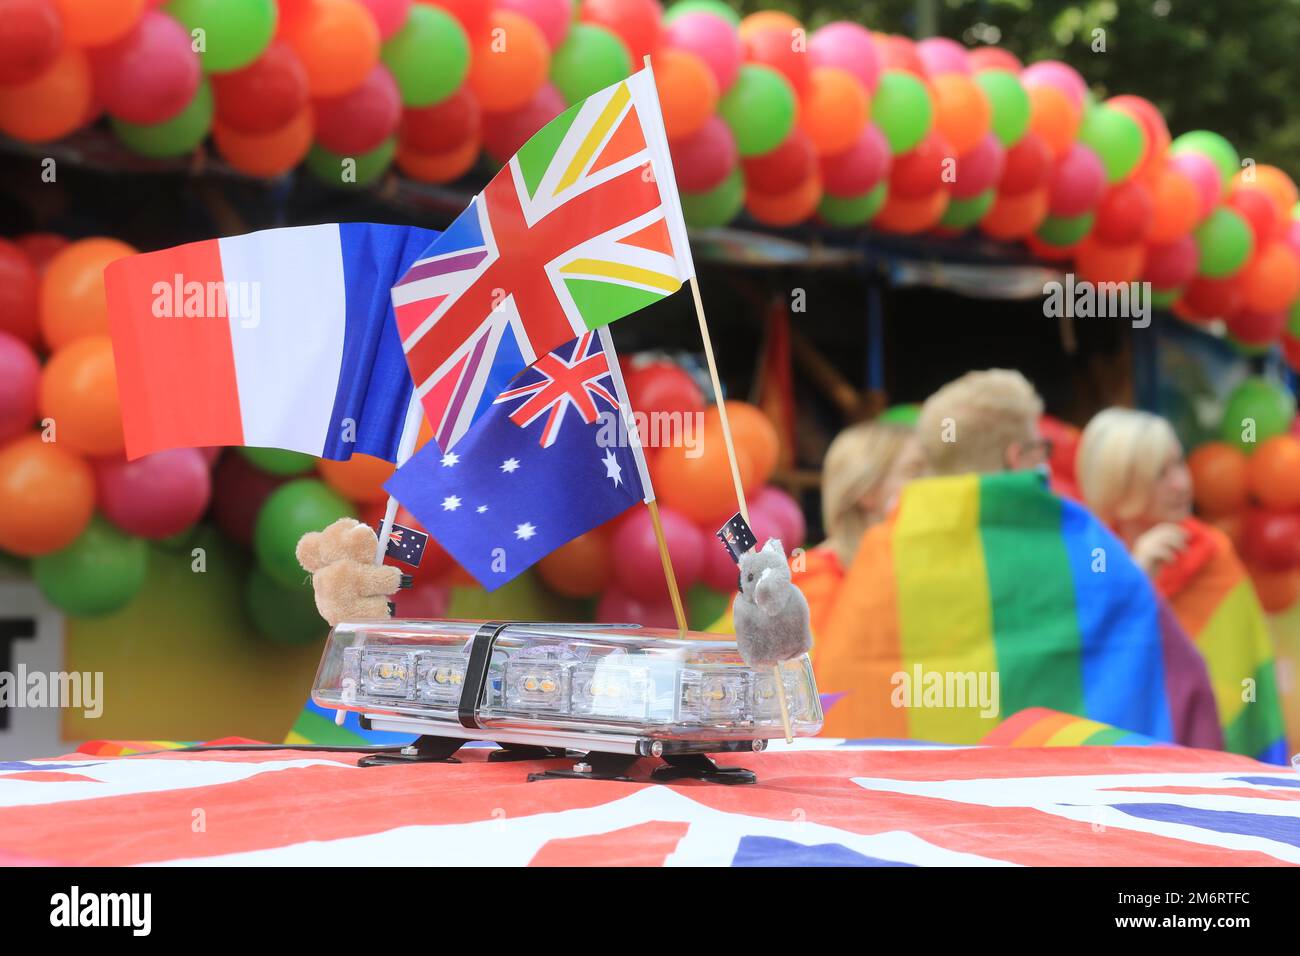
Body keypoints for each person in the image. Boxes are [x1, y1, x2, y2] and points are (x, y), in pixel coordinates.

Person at [814, 370, 1223, 751]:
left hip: (917, 812)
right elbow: (1180, 682)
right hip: (1063, 809)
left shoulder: (883, 551)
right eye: (1040, 448)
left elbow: (843, 696)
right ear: (1016, 456)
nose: (1045, 462)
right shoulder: (1075, 538)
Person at [1076, 408, 1288, 763]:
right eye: (1160, 473)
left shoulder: (1214, 556)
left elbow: (1246, 686)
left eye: (1179, 463)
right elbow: (1090, 672)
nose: (1181, 483)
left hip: (1211, 768)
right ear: (1118, 484)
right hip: (1112, 765)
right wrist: (1136, 578)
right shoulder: (1082, 560)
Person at [708, 420, 926, 639]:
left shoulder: (914, 565)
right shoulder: (811, 579)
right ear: (866, 491)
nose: (934, 482)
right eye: (915, 471)